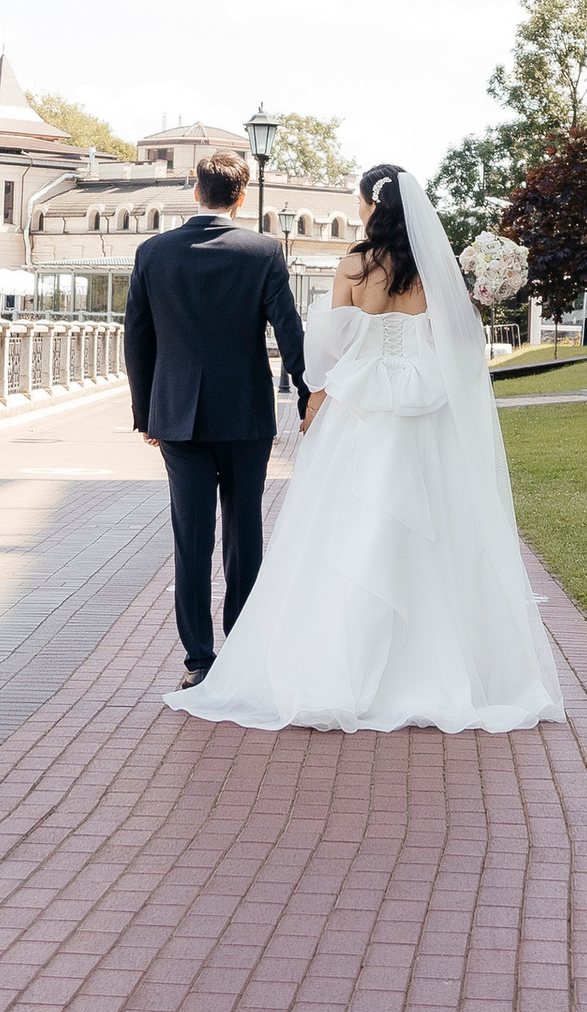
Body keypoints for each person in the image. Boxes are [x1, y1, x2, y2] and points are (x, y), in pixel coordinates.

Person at [168, 160, 564, 734]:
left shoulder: (354, 263)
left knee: (347, 526)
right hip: (428, 409)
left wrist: (314, 401)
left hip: (363, 406)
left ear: (372, 205)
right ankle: (440, 668)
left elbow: (329, 346)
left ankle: (341, 667)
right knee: (435, 528)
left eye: (358, 198)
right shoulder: (437, 267)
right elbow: (457, 342)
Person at [125, 140, 311, 686]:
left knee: (191, 536)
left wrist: (146, 413)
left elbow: (137, 337)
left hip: (177, 414)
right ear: (242, 194)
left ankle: (199, 660)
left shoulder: (153, 253)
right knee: (243, 531)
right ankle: (243, 647)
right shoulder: (262, 252)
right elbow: (289, 327)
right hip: (246, 412)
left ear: (195, 187)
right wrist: (306, 392)